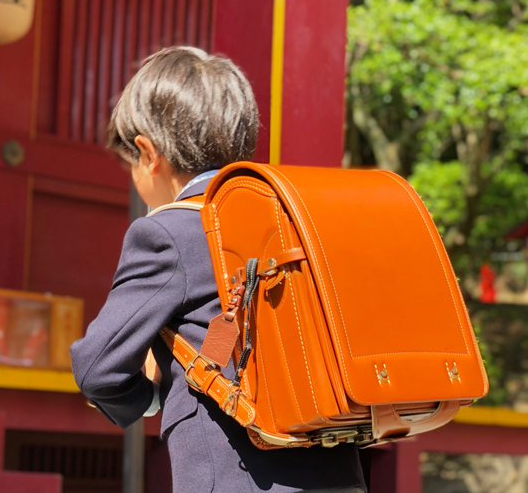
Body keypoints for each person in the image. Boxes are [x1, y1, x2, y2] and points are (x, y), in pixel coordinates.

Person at [69, 47, 367, 493]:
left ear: (148, 154)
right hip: (339, 475)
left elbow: (98, 367)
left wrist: (148, 400)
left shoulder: (168, 233)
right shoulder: (298, 221)